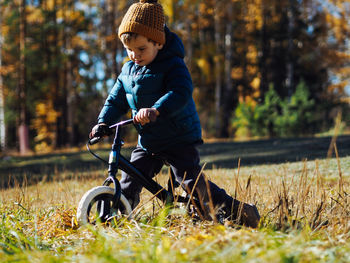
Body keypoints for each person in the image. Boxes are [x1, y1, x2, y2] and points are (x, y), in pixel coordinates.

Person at [90, 0, 260, 228]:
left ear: (158, 43)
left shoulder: (173, 65)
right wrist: (103, 122)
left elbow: (180, 92)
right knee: (131, 177)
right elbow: (116, 99)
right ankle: (116, 219)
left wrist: (156, 109)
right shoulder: (128, 71)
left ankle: (235, 212)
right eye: (129, 49)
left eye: (141, 49)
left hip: (177, 136)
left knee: (190, 181)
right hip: (149, 140)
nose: (134, 55)